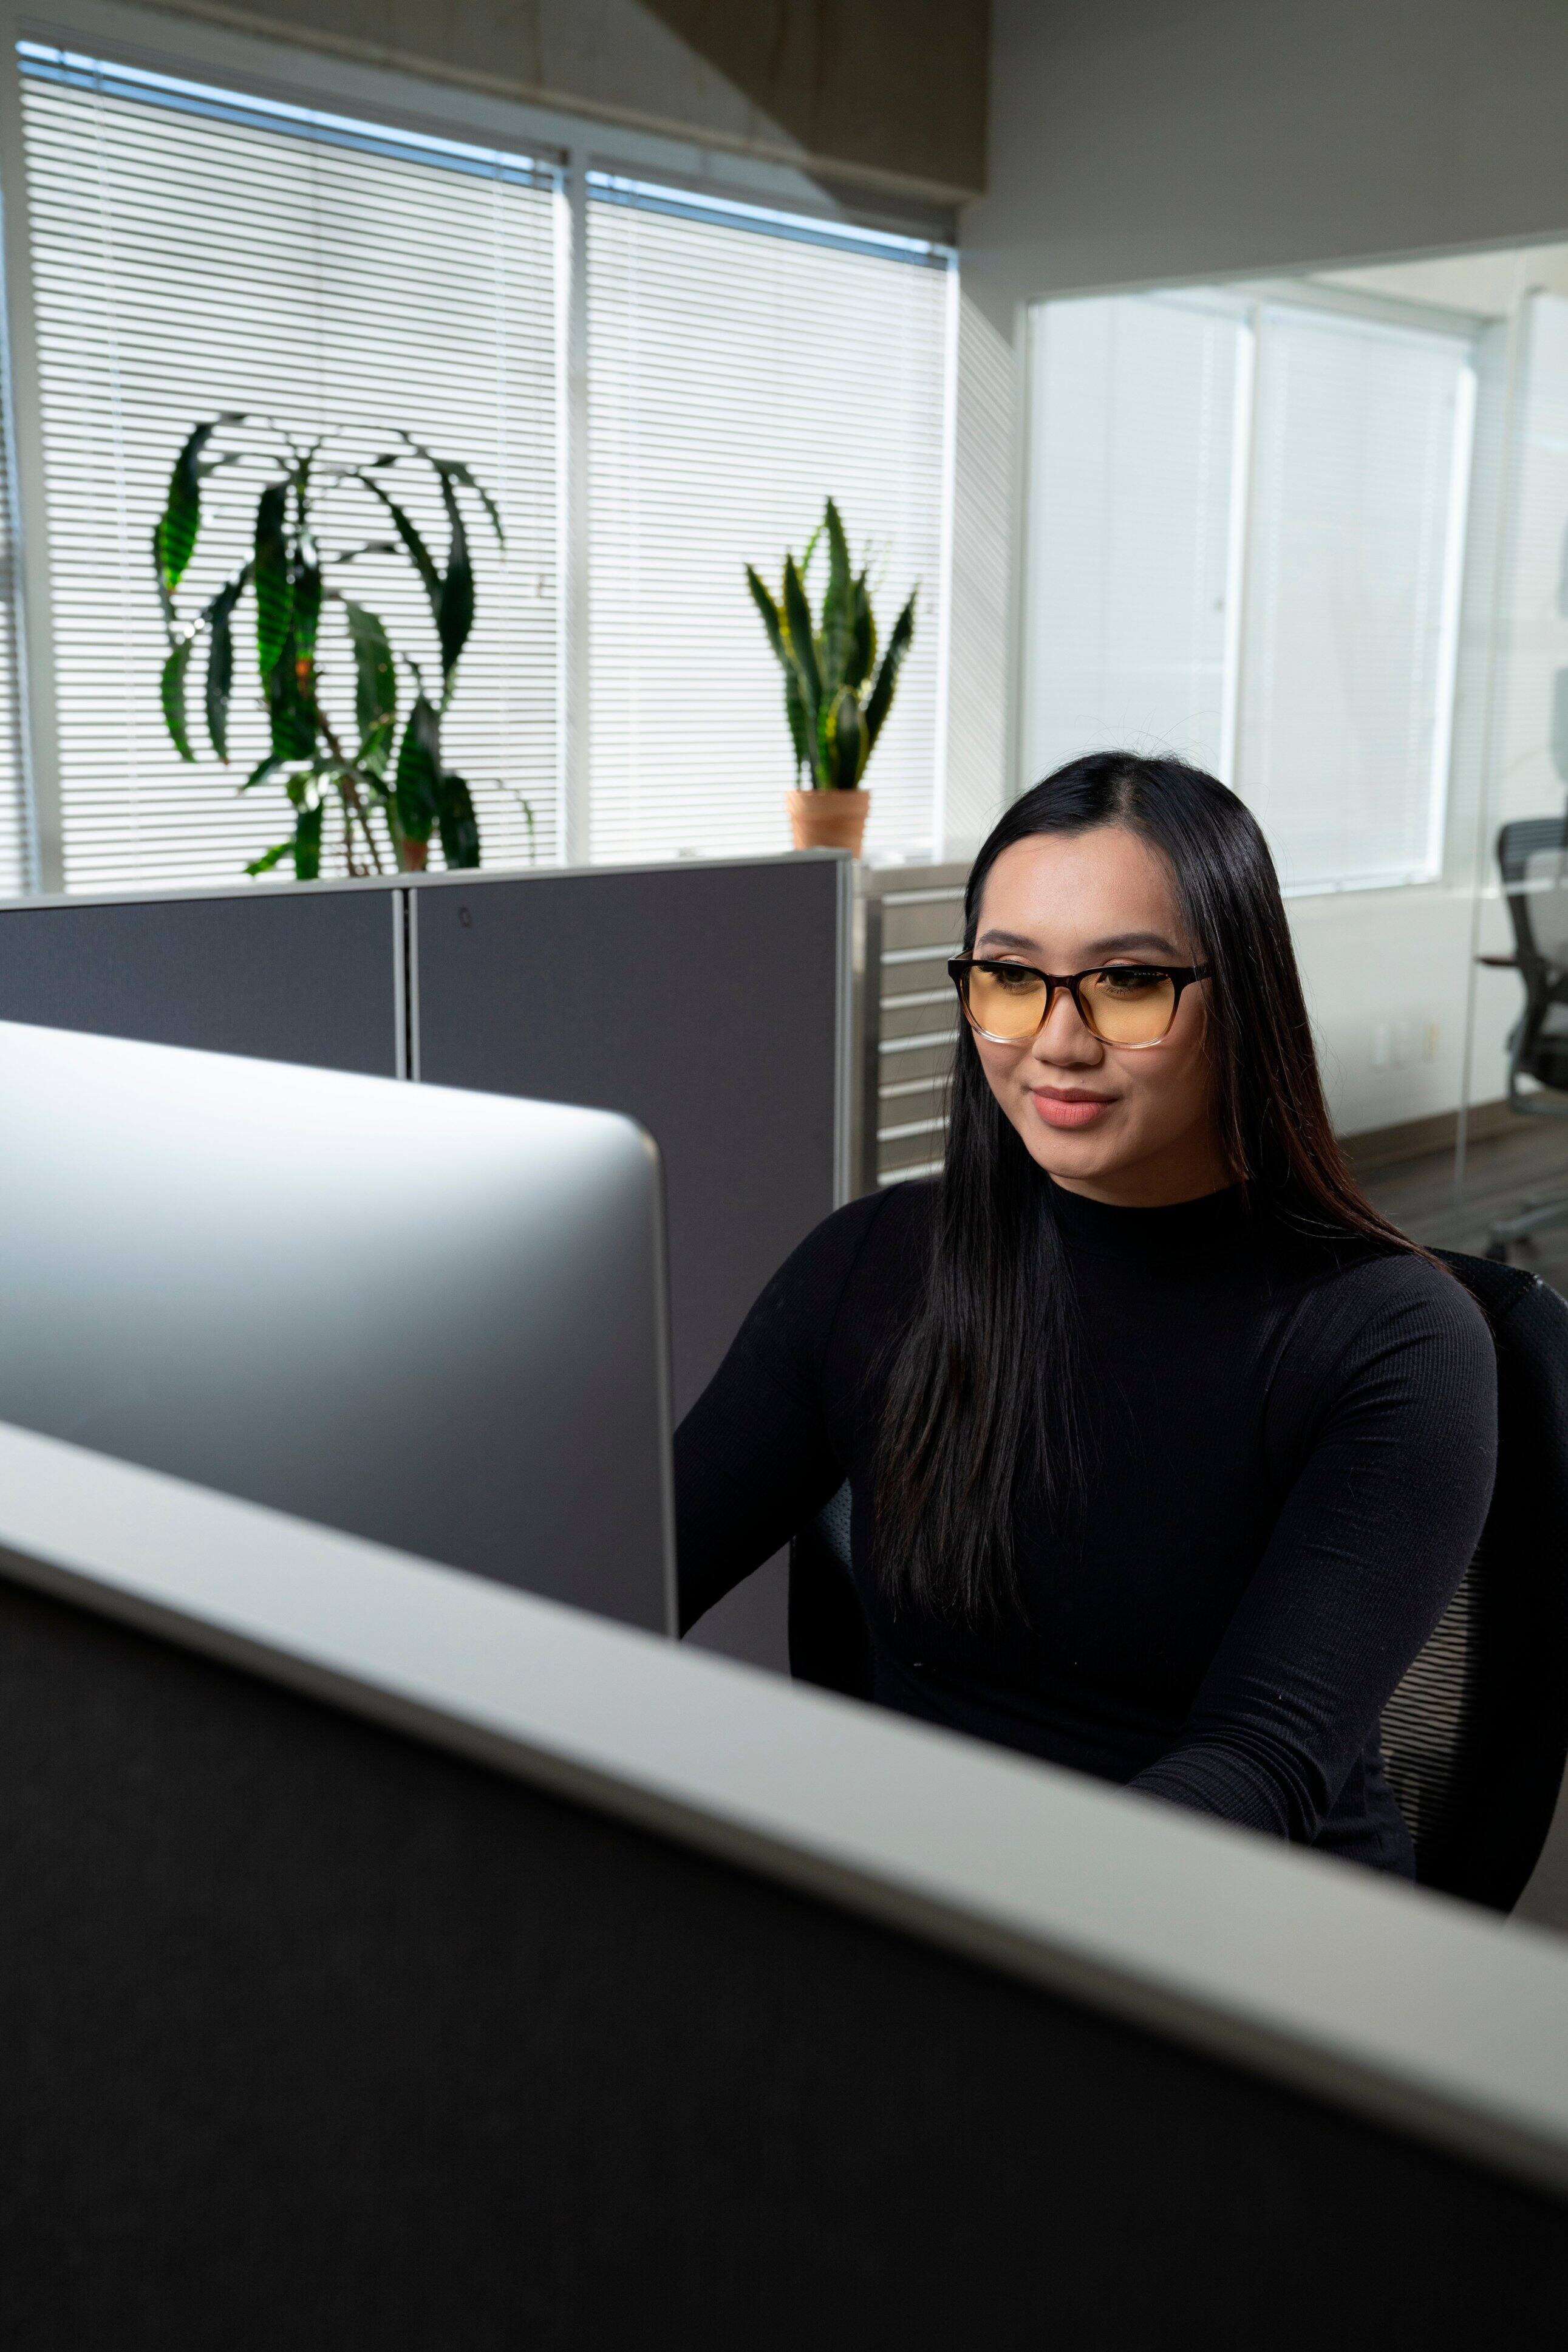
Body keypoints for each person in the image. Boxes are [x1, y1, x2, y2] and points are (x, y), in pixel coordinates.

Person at [675, 753, 1498, 1874]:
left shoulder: (1393, 1341)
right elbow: (641, 1564)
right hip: (912, 1905)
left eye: (1126, 982)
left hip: (1235, 1939)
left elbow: (1258, 1766)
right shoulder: (873, 1264)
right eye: (1010, 977)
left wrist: (984, 1906)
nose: (1057, 1039)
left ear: (1239, 995)